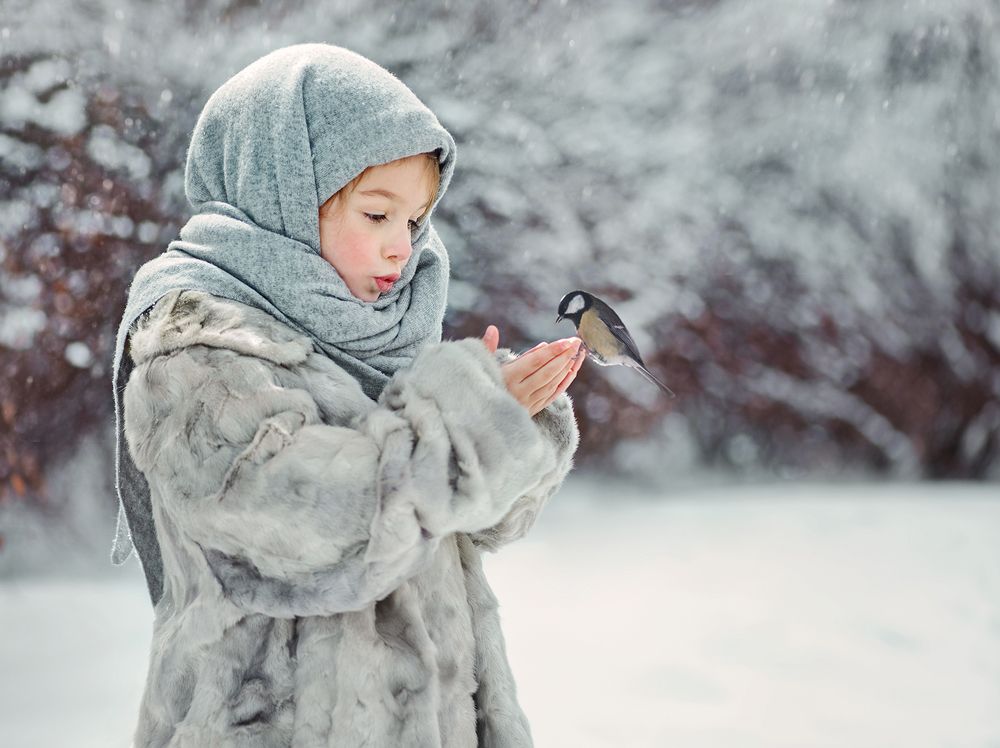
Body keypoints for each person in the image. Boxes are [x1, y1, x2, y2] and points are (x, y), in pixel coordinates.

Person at [109, 43, 582, 747]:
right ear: (284, 192)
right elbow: (326, 535)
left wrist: (513, 418)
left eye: (415, 220)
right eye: (377, 215)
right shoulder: (196, 356)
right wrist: (464, 424)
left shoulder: (379, 335)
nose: (404, 247)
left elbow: (475, 524)